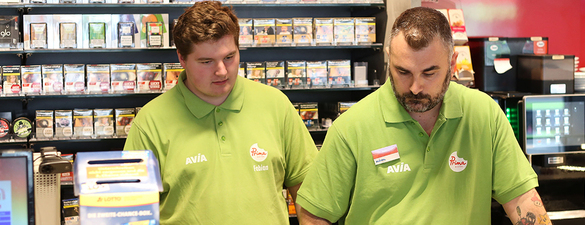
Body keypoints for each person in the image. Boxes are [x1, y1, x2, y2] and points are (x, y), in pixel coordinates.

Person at [298, 7, 551, 225]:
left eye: (429, 73)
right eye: (403, 71)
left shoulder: (484, 115)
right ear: (389, 59)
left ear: (453, 65)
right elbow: (314, 213)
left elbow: (523, 200)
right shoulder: (351, 128)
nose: (415, 87)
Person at [123, 2, 318, 224]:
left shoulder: (276, 105)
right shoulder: (150, 122)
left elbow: (307, 191)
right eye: (206, 61)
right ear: (182, 59)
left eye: (229, 57)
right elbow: (132, 213)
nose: (222, 71)